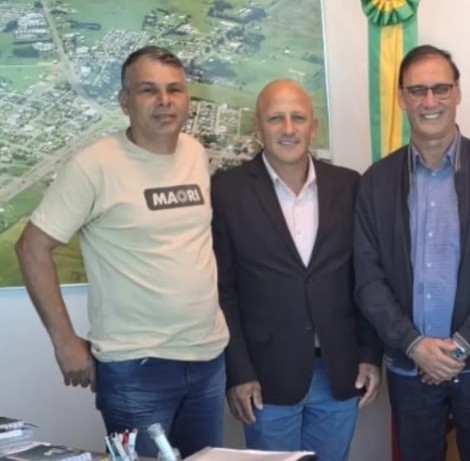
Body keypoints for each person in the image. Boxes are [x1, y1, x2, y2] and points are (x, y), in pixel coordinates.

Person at [14, 45, 229, 458]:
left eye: (174, 89)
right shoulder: (94, 165)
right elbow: (31, 248)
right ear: (124, 101)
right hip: (136, 368)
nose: (164, 101)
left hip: (208, 358)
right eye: (148, 90)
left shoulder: (195, 153)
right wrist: (64, 341)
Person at [353, 44, 470, 461]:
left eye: (440, 89)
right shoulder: (376, 183)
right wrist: (415, 345)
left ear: (457, 93)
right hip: (409, 366)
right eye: (417, 91)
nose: (430, 101)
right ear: (402, 98)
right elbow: (367, 279)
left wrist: (460, 346)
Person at [211, 79, 382, 461]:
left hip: (340, 371)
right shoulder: (226, 191)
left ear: (313, 126)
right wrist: (238, 371)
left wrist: (370, 353)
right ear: (258, 126)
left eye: (298, 118)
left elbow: (365, 278)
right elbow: (223, 291)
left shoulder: (348, 185)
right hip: (265, 379)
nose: (288, 129)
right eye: (276, 118)